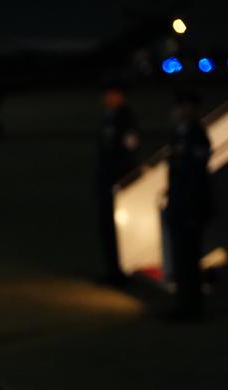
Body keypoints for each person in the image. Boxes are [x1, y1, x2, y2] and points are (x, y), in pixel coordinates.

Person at [164, 91, 213, 319]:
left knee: (190, 260)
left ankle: (192, 308)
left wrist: (192, 210)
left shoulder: (196, 136)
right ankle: (184, 304)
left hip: (189, 209)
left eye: (181, 107)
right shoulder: (180, 135)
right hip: (179, 207)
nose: (176, 112)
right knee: (181, 259)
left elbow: (196, 177)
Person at [94, 83, 140, 284]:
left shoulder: (125, 118)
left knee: (116, 228)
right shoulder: (108, 116)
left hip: (117, 180)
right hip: (106, 179)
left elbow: (128, 149)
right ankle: (113, 269)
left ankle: (120, 272)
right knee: (107, 227)